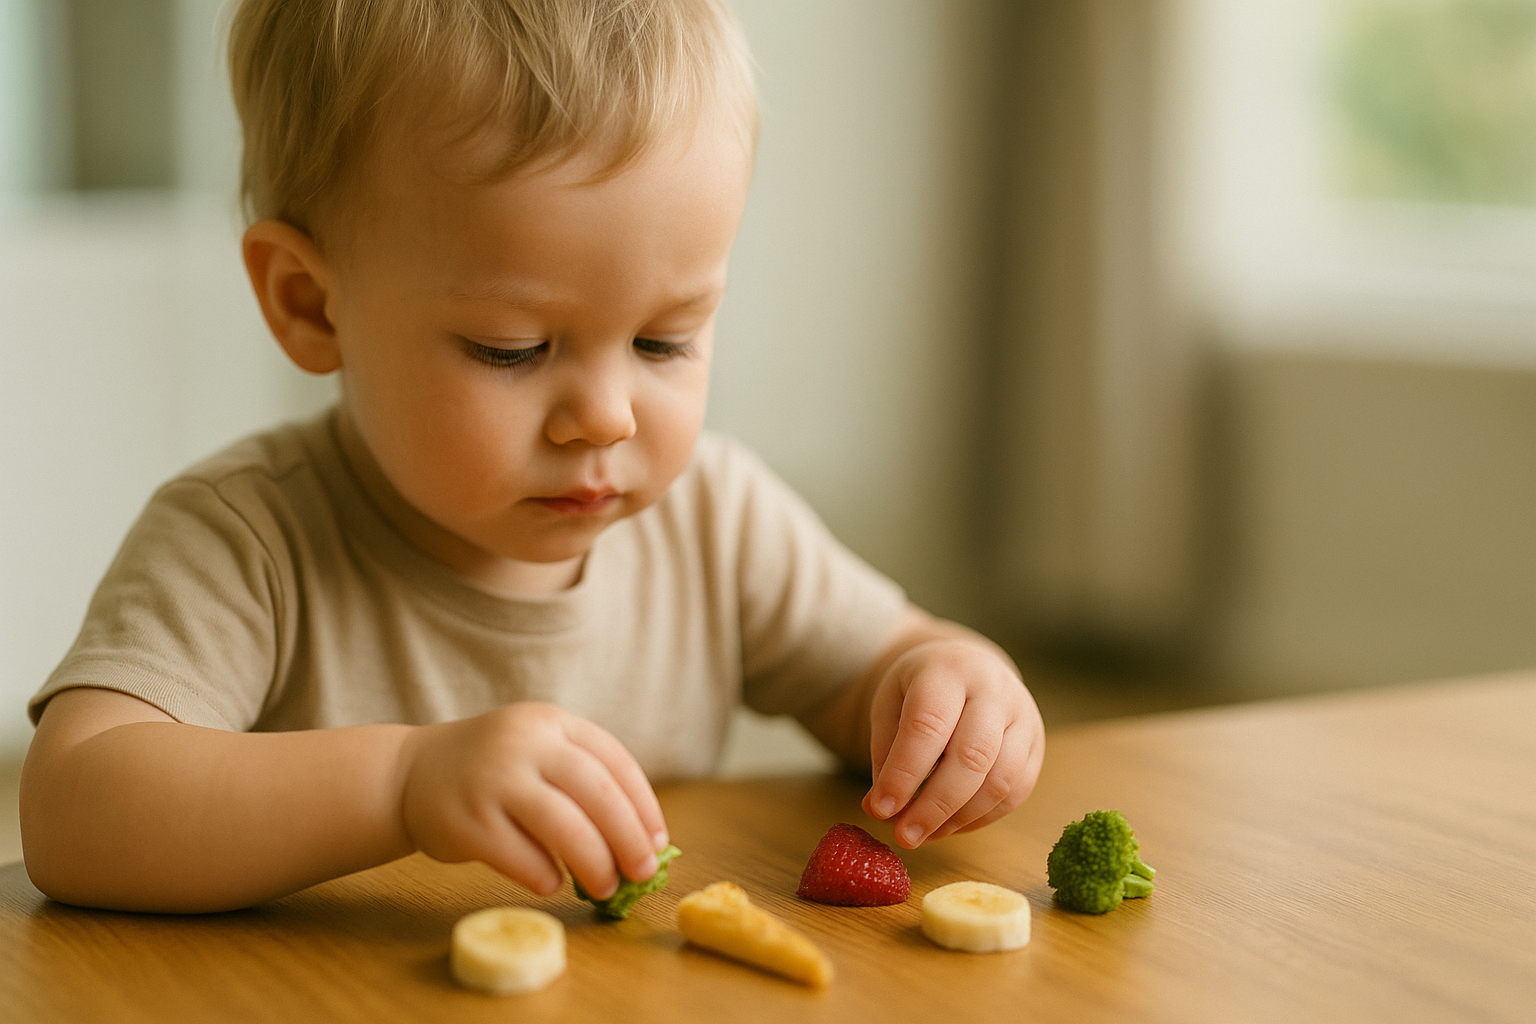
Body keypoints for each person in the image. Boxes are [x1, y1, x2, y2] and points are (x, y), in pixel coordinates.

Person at [19, 0, 1043, 914]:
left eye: (664, 340)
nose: (604, 418)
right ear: (309, 302)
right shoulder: (247, 539)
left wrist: (949, 689)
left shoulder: (717, 519)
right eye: (513, 349)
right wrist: (402, 784)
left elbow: (875, 674)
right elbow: (74, 811)